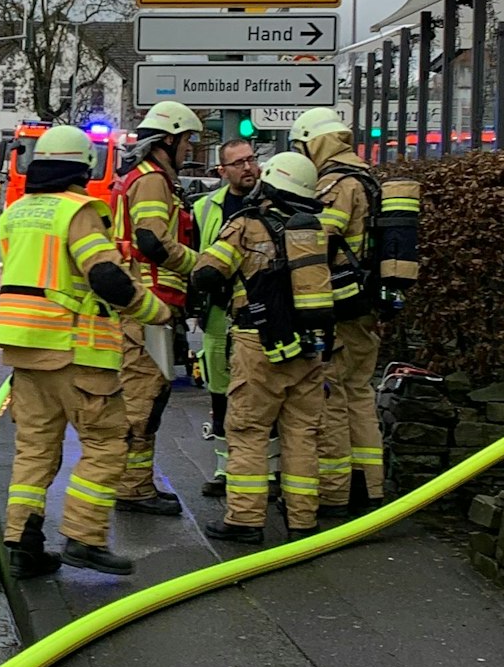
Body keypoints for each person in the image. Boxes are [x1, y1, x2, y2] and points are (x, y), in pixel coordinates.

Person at [0, 124, 173, 578]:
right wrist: (158, 312)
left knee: (35, 449)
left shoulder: (16, 211)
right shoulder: (79, 211)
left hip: (24, 350)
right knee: (107, 444)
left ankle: (22, 544)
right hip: (78, 351)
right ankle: (84, 538)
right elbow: (106, 278)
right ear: (85, 166)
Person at [191, 152, 336, 546]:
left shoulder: (245, 224)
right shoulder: (315, 229)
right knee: (303, 432)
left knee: (249, 429)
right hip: (309, 347)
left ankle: (244, 519)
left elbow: (206, 274)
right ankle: (303, 520)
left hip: (259, 345)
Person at [290, 109, 385, 517]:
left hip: (340, 306)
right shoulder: (367, 177)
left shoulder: (336, 183)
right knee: (360, 392)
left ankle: (336, 492)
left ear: (314, 141)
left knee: (331, 394)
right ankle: (370, 484)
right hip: (365, 302)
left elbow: (318, 237)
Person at [109, 100, 202, 517]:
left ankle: (137, 483)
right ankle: (131, 488)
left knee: (151, 397)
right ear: (169, 139)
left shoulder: (152, 177)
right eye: (186, 141)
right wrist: (200, 265)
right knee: (141, 399)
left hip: (152, 304)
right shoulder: (151, 181)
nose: (189, 149)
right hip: (149, 305)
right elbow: (151, 241)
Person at [189, 138, 261, 500]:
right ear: (223, 171)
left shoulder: (272, 201)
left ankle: (268, 471)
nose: (248, 167)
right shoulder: (204, 208)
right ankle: (223, 468)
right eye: (238, 163)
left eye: (251, 160)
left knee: (260, 394)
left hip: (262, 314)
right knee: (220, 393)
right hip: (218, 312)